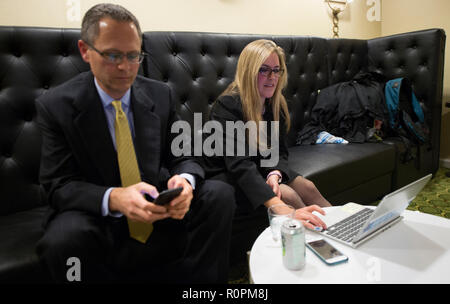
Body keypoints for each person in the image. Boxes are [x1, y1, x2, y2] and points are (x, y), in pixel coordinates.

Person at [35, 3, 235, 283]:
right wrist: (115, 198)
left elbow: (184, 155)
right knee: (63, 241)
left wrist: (185, 182)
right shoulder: (56, 106)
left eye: (133, 56)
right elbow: (58, 186)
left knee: (218, 195)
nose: (124, 67)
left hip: (157, 205)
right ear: (85, 51)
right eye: (112, 55)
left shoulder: (160, 94)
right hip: (99, 215)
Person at [204, 39, 331, 231]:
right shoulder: (227, 106)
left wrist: (275, 173)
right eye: (264, 70)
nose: (273, 77)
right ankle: (318, 238)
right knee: (287, 194)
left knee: (308, 187)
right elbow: (239, 164)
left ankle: (341, 229)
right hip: (230, 173)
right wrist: (277, 203)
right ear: (249, 72)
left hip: (261, 167)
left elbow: (279, 152)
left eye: (277, 70)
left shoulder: (274, 104)